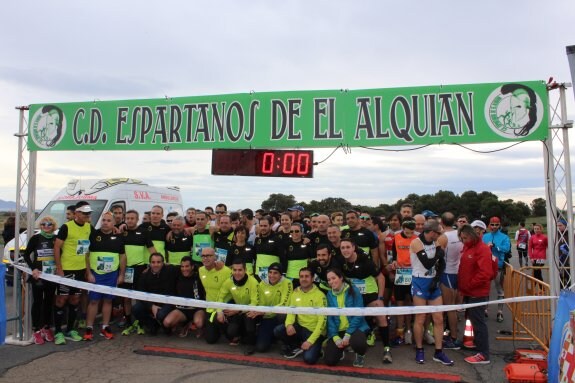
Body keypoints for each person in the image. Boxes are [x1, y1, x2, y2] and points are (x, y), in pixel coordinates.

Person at [340, 238, 392, 363]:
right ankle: (361, 337)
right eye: (343, 248)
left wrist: (380, 298)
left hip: (369, 295)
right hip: (353, 297)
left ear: (353, 248)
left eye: (348, 247)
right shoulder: (340, 262)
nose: (345, 250)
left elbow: (380, 278)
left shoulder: (365, 261)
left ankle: (386, 349)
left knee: (381, 316)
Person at [409, 220, 453, 366]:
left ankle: (438, 352)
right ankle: (419, 349)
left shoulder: (436, 242)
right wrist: (438, 254)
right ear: (432, 232)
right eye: (438, 233)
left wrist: (437, 279)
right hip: (420, 282)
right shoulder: (416, 243)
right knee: (420, 317)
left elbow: (442, 264)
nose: (440, 236)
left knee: (438, 318)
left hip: (433, 281)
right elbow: (427, 263)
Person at [52, 201, 94, 345]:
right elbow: (56, 248)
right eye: (84, 213)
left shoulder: (89, 227)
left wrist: (88, 272)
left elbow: (87, 251)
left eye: (89, 213)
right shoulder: (66, 227)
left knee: (75, 300)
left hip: (81, 270)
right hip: (66, 270)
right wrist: (59, 269)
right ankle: (58, 332)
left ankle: (70, 330)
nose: (87, 215)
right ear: (76, 213)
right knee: (61, 300)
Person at [83, 211, 126, 340]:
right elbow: (86, 254)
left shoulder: (119, 237)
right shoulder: (93, 235)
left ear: (113, 223)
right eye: (103, 220)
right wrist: (89, 272)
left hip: (112, 274)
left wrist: (121, 275)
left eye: (108, 220)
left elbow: (123, 257)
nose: (105, 223)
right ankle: (89, 328)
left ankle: (105, 327)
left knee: (108, 300)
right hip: (96, 274)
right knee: (94, 301)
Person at [274, 267, 326, 364]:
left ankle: (316, 348)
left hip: (314, 332)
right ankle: (297, 346)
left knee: (309, 359)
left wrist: (310, 341)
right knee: (278, 330)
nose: (304, 279)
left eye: (307, 276)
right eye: (301, 276)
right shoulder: (296, 292)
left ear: (312, 278)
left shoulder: (320, 296)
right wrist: (289, 324)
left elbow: (322, 322)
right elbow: (291, 311)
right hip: (301, 328)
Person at [458, 224, 493, 365]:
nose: (463, 240)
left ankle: (484, 354)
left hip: (477, 292)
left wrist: (469, 285)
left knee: (479, 323)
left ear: (472, 235)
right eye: (462, 238)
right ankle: (478, 347)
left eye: (465, 238)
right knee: (472, 321)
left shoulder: (482, 249)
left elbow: (485, 273)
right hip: (469, 291)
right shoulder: (468, 247)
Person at [324, 268, 371, 368]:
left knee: (358, 343)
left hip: (355, 328)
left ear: (341, 278)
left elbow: (359, 314)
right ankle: (342, 349)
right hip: (339, 329)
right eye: (329, 280)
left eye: (333, 278)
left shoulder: (354, 290)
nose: (331, 281)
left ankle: (360, 354)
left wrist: (348, 334)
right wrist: (335, 337)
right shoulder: (329, 294)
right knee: (329, 361)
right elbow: (330, 318)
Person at [23, 216, 58, 344]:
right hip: (39, 275)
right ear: (40, 225)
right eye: (43, 224)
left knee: (49, 302)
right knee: (37, 302)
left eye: (49, 224)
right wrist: (33, 269)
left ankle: (46, 327)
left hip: (52, 275)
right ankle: (36, 330)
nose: (46, 226)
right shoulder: (36, 238)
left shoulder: (56, 239)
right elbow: (26, 255)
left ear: (53, 225)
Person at [216, 260, 260, 355]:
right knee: (230, 331)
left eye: (240, 270)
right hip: (237, 312)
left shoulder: (253, 282)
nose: (237, 273)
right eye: (234, 270)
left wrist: (238, 310)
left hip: (250, 311)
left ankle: (250, 344)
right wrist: (219, 312)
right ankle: (239, 336)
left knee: (249, 321)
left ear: (245, 270)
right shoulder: (228, 282)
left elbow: (254, 303)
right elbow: (220, 298)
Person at [119, 209, 152, 334]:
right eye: (127, 218)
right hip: (125, 269)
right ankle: (128, 322)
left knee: (139, 297)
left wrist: (151, 266)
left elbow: (152, 250)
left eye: (132, 218)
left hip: (139, 269)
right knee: (126, 298)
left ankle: (140, 323)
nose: (129, 220)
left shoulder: (143, 232)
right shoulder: (121, 232)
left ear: (137, 219)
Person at [132, 253, 178, 334]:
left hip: (168, 302)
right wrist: (151, 306)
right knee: (136, 309)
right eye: (153, 262)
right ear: (150, 263)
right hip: (151, 303)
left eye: (158, 262)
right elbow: (141, 294)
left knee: (160, 315)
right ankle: (153, 325)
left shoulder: (171, 270)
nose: (156, 265)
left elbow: (185, 268)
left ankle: (166, 325)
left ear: (163, 263)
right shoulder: (144, 275)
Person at [437, 212, 463, 350]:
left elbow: (437, 257)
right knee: (452, 306)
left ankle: (453, 338)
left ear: (441, 221)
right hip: (457, 271)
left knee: (449, 307)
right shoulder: (459, 234)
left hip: (447, 272)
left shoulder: (443, 237)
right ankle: (451, 334)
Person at [162, 256, 206, 337]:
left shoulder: (199, 276)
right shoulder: (177, 275)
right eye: (182, 266)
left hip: (197, 308)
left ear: (192, 267)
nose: (184, 269)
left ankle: (199, 326)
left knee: (199, 323)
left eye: (187, 266)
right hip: (182, 309)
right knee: (167, 322)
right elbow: (163, 266)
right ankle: (184, 324)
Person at [253, 263, 292, 352]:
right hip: (267, 317)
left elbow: (284, 304)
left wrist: (265, 311)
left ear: (281, 275)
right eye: (270, 272)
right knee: (260, 348)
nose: (272, 275)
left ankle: (283, 339)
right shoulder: (262, 283)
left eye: (275, 273)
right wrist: (259, 312)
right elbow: (260, 302)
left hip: (279, 317)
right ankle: (270, 336)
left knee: (282, 315)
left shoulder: (287, 283)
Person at [199, 247, 232, 344]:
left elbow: (240, 277)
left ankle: (231, 333)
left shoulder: (225, 270)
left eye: (209, 255)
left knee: (230, 332)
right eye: (203, 256)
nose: (206, 258)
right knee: (210, 340)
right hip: (210, 308)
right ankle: (218, 329)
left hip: (225, 307)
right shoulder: (201, 270)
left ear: (215, 257)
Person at [482, 216, 510, 322]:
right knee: (485, 289)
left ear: (500, 225)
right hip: (485, 266)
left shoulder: (504, 237)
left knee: (499, 289)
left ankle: (500, 312)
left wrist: (495, 246)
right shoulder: (485, 236)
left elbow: (506, 249)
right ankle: (485, 309)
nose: (494, 227)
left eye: (496, 225)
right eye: (492, 224)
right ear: (489, 225)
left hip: (498, 266)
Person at [283, 223, 312, 288]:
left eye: (297, 231)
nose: (294, 233)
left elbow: (312, 258)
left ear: (302, 232)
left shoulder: (307, 243)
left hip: (303, 277)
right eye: (291, 231)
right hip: (290, 276)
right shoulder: (286, 244)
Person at [254, 216, 281, 281]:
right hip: (259, 275)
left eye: (265, 226)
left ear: (271, 225)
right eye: (261, 226)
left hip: (273, 275)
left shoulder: (277, 239)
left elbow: (283, 258)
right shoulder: (257, 239)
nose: (263, 228)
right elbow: (255, 256)